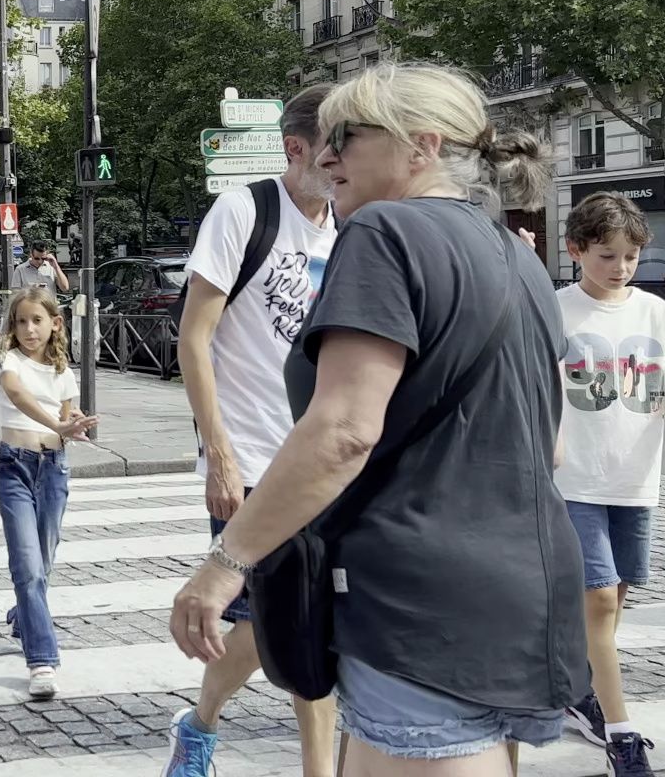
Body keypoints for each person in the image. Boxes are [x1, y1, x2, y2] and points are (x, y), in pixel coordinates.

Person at [170, 63, 589, 777]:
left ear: (420, 147)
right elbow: (549, 445)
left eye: (347, 136)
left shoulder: (385, 232)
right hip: (527, 592)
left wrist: (223, 565)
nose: (328, 155)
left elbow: (342, 432)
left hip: (418, 603)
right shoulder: (516, 257)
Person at [162, 84, 339, 777]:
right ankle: (200, 722)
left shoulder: (352, 224)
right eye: (335, 147)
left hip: (319, 461)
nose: (345, 162)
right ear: (296, 149)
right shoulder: (244, 210)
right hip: (252, 456)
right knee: (263, 625)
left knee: (315, 626)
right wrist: (220, 456)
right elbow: (193, 339)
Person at [554, 192, 665, 777]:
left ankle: (581, 688)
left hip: (636, 479)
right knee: (597, 599)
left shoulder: (654, 313)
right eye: (605, 255)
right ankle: (621, 735)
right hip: (574, 479)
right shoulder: (556, 309)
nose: (620, 266)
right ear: (576, 251)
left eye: (629, 255)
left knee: (614, 599)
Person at [0, 285, 97, 699]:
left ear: (55, 324)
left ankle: (24, 615)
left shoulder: (64, 373)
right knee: (27, 565)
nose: (28, 329)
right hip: (14, 467)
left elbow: (68, 419)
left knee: (44, 560)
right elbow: (16, 395)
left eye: (37, 320)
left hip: (53, 469)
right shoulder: (9, 361)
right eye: (21, 321)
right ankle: (42, 660)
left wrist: (73, 428)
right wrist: (57, 424)